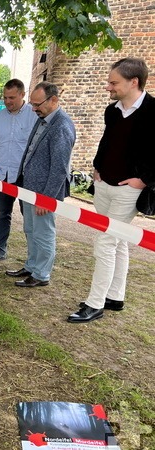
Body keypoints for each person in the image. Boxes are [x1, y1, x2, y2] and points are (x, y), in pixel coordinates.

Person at [69, 57, 155, 323]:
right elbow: (107, 142)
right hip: (104, 185)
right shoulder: (112, 111)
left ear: (134, 82)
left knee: (106, 242)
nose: (108, 87)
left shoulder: (154, 111)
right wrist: (97, 167)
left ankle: (95, 304)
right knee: (117, 242)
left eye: (113, 82)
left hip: (129, 190)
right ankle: (115, 296)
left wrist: (143, 180)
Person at [5, 82, 75, 288]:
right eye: (33, 104)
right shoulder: (43, 118)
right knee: (30, 229)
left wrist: (47, 197)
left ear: (53, 100)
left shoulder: (61, 125)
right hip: (30, 188)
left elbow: (60, 168)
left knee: (43, 234)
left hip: (43, 194)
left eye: (37, 104)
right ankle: (32, 266)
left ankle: (41, 274)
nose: (33, 109)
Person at [0, 79, 38, 263]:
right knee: (2, 213)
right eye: (5, 97)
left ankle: (33, 257)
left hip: (25, 176)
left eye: (12, 97)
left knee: (30, 218)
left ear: (23, 95)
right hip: (2, 174)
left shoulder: (35, 116)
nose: (7, 101)